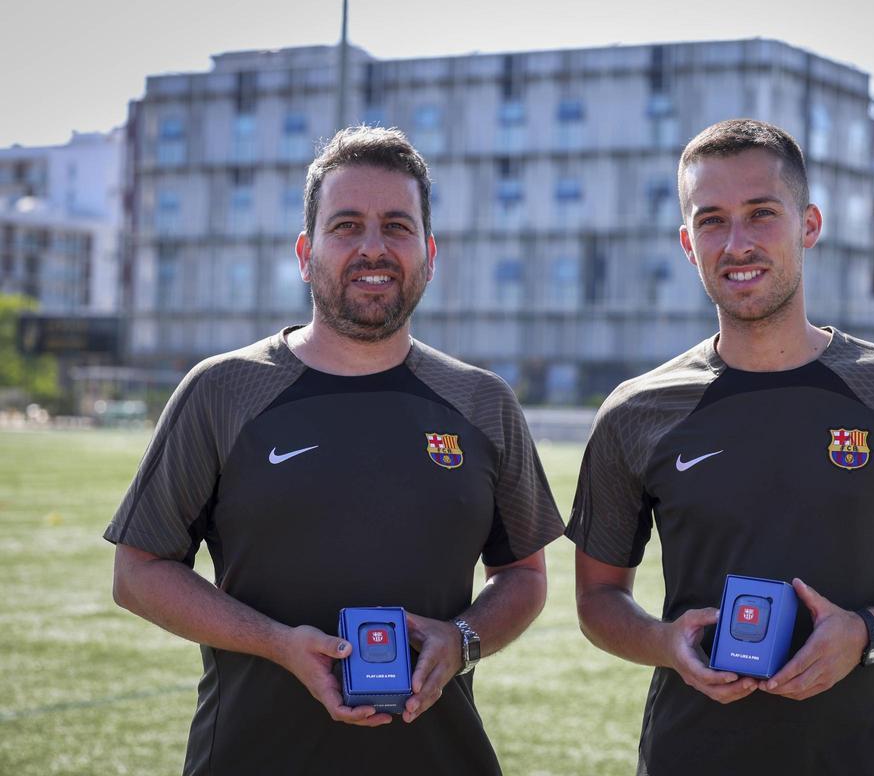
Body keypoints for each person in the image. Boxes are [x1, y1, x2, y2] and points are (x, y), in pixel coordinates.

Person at [105, 125, 564, 775]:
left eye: (396, 227)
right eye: (346, 226)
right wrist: (278, 644)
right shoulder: (223, 390)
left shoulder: (483, 402)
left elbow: (523, 577)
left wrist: (463, 639)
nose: (372, 248)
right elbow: (138, 572)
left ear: (428, 252)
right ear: (305, 252)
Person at [567, 118, 874, 775]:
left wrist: (866, 635)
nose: (737, 243)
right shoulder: (637, 411)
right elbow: (597, 600)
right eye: (712, 220)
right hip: (692, 753)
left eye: (761, 214)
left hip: (863, 755)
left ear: (809, 225)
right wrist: (663, 642)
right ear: (688, 243)